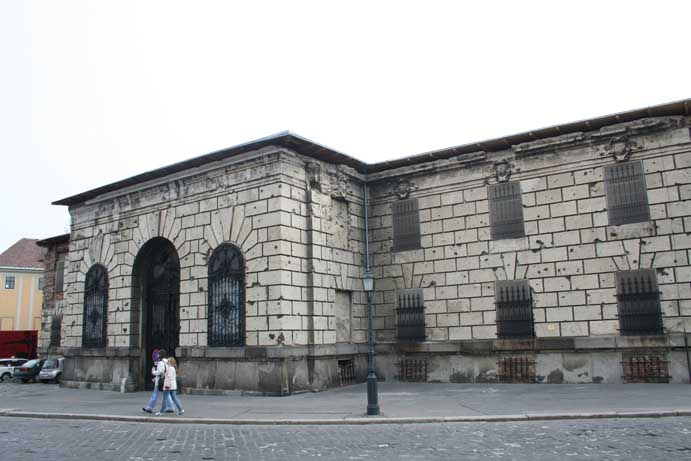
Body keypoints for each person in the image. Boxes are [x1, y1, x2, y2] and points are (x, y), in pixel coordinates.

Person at [142, 348, 168, 414]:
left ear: (160, 355)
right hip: (165, 380)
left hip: (160, 381)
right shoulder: (167, 361)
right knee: (167, 394)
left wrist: (153, 372)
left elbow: (160, 372)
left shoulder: (161, 362)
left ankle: (150, 407)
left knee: (155, 394)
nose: (157, 355)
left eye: (158, 354)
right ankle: (171, 407)